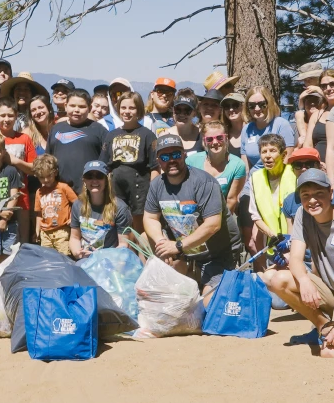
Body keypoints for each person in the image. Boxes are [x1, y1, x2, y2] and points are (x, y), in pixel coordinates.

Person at [262, 168, 334, 355]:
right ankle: (323, 325)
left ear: (331, 193)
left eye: (319, 193)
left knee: (330, 352)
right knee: (275, 278)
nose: (312, 200)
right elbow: (295, 258)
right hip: (328, 289)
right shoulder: (303, 216)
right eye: (306, 195)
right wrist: (304, 281)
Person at [143, 133, 233, 286]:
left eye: (176, 154)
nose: (171, 160)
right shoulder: (157, 184)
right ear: (158, 161)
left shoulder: (204, 182)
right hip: (184, 253)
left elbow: (213, 224)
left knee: (208, 305)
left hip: (215, 254)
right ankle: (184, 276)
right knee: (146, 237)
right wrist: (162, 243)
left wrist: (177, 246)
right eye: (165, 157)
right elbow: (150, 218)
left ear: (184, 155)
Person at [189, 124, 247, 253]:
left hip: (221, 217)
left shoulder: (237, 165)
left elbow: (231, 200)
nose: (215, 142)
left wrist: (214, 224)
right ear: (204, 141)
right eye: (210, 139)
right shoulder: (191, 162)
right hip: (193, 216)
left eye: (220, 138)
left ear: (226, 139)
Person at [101, 90, 158, 216]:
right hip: (115, 188)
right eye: (123, 107)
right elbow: (103, 164)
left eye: (132, 108)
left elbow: (155, 166)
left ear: (139, 110)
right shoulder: (111, 135)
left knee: (138, 223)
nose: (127, 111)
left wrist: (152, 190)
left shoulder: (148, 135)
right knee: (118, 220)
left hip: (140, 189)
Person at [47, 89, 108, 193]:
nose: (76, 110)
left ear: (89, 108)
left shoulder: (99, 130)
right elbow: (48, 159)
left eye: (82, 107)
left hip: (88, 191)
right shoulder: (56, 129)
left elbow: (106, 161)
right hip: (59, 191)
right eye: (72, 105)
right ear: (66, 105)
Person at [247, 133, 297, 252]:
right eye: (264, 152)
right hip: (274, 244)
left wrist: (290, 239)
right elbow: (255, 215)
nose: (267, 156)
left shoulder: (295, 173)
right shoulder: (255, 178)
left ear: (283, 154)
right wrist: (274, 237)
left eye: (273, 150)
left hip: (298, 241)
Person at [70, 160, 132, 254]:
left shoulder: (120, 208)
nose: (94, 180)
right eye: (89, 176)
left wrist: (100, 256)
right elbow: (74, 237)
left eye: (99, 176)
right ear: (84, 180)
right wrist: (77, 253)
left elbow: (123, 244)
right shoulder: (77, 205)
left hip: (110, 259)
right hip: (85, 258)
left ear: (106, 180)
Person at [31, 154, 78, 254]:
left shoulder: (63, 187)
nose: (46, 180)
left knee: (64, 257)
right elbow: (39, 214)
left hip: (62, 231)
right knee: (48, 258)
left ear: (55, 172)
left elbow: (77, 204)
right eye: (42, 177)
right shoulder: (39, 192)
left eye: (49, 176)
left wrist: (73, 218)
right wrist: (37, 231)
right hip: (45, 233)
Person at [239, 86, 297, 165]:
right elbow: (245, 164)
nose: (257, 109)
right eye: (252, 105)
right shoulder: (246, 129)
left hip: (277, 174)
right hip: (254, 176)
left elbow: (288, 158)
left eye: (262, 104)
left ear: (269, 103)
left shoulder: (281, 124)